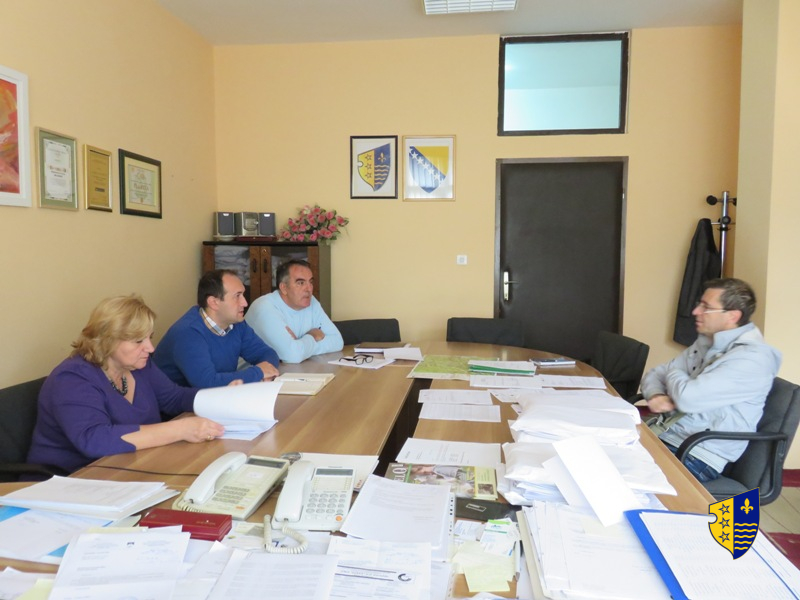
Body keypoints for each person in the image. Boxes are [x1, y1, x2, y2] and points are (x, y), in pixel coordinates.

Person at [27, 295, 226, 475]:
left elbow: (174, 398)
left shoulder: (138, 365)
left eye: (149, 337)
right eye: (138, 341)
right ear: (107, 341)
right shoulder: (71, 379)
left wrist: (225, 397)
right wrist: (179, 429)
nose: (150, 348)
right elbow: (95, 440)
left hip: (130, 469)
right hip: (70, 481)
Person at [641, 277, 782, 482]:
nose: (695, 311)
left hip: (696, 454)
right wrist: (655, 393)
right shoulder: (708, 341)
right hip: (665, 434)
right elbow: (654, 374)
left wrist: (673, 371)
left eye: (706, 307)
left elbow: (687, 398)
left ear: (732, 316)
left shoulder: (752, 358)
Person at [153, 270, 280, 387]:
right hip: (181, 404)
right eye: (237, 296)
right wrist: (258, 373)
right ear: (214, 303)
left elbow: (267, 353)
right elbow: (207, 383)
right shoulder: (188, 333)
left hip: (219, 398)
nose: (245, 303)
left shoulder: (236, 323)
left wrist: (266, 372)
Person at [245, 259, 343, 363]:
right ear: (284, 288)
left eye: (310, 282)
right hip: (248, 371)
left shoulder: (311, 301)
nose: (309, 289)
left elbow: (337, 341)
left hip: (287, 368)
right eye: (300, 283)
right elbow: (293, 355)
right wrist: (312, 336)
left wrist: (300, 345)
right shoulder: (265, 307)